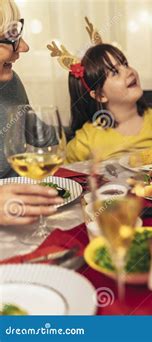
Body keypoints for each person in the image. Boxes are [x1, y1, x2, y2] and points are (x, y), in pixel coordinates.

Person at [0, 0, 62, 226]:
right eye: (12, 35)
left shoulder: (9, 82)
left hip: (22, 212)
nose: (24, 46)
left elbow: (39, 133)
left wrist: (92, 124)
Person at [65, 44, 152, 163]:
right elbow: (63, 177)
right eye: (115, 72)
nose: (128, 72)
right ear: (100, 95)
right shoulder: (85, 140)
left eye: (125, 64)